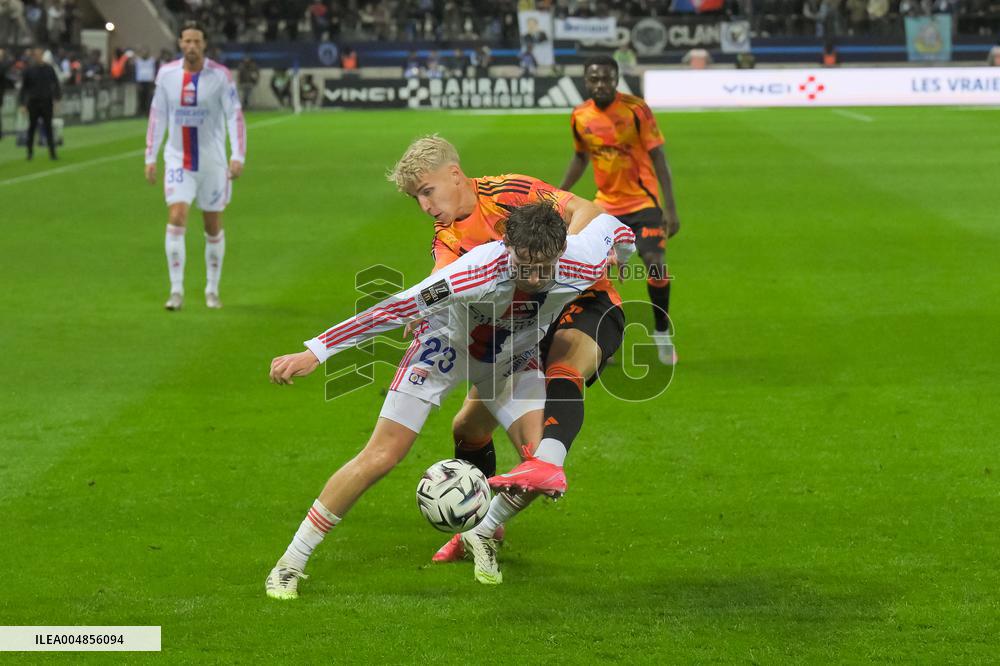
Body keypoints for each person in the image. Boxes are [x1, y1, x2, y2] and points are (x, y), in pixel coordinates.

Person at [264, 204, 636, 598]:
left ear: (561, 250)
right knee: (382, 454)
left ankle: (482, 530)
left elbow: (618, 230)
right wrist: (316, 352)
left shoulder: (582, 257)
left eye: (544, 267)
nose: (534, 277)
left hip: (510, 361)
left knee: (539, 465)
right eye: (523, 265)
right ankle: (290, 562)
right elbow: (395, 308)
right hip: (444, 348)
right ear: (506, 244)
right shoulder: (475, 270)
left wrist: (622, 260)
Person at [385, 136, 627, 567]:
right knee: (468, 428)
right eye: (416, 198)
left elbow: (587, 210)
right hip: (526, 325)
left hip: (586, 301)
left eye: (426, 191)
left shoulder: (508, 192)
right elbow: (445, 274)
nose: (425, 205)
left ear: (454, 175)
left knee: (561, 372)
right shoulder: (448, 232)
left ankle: (478, 531)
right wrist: (421, 306)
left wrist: (564, 260)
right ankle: (482, 514)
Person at [560, 55, 681, 365]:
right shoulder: (580, 116)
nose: (600, 84)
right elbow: (580, 158)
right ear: (586, 81)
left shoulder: (636, 110)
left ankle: (662, 332)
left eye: (606, 78)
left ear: (616, 79)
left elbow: (659, 158)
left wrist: (670, 208)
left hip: (643, 203)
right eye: (594, 79)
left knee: (655, 263)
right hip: (605, 206)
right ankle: (600, 342)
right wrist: (560, 194)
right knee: (587, 272)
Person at [144, 22, 246, 311]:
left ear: (204, 45)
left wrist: (238, 155)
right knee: (176, 215)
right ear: (180, 43)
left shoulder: (221, 76)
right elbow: (157, 116)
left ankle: (212, 290)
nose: (191, 46)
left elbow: (234, 117)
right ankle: (176, 291)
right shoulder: (166, 75)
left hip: (213, 162)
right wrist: (150, 156)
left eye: (196, 41)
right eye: (187, 40)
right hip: (178, 160)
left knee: (212, 224)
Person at [18, 47, 61, 161]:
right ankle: (29, 153)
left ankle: (52, 153)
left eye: (39, 54)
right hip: (33, 102)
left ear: (42, 55)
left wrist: (57, 99)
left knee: (48, 128)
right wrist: (22, 104)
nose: (38, 57)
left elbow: (56, 84)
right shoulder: (29, 70)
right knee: (31, 128)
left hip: (47, 102)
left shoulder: (49, 69)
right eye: (36, 55)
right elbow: (24, 88)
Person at [134, 47, 156, 114]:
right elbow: (136, 72)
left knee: (149, 97)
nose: (144, 53)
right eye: (143, 52)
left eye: (146, 52)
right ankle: (140, 111)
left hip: (149, 82)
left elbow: (154, 71)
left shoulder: (152, 61)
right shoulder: (138, 61)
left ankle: (148, 112)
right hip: (141, 82)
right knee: (141, 97)